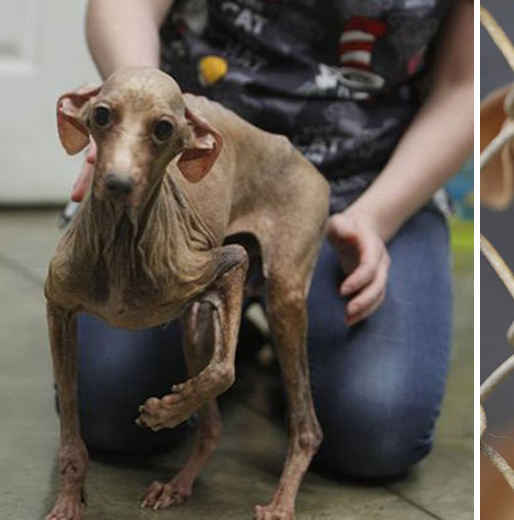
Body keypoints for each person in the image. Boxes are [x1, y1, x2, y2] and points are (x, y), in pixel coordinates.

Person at [68, 0, 475, 479]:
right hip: (189, 169)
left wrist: (375, 218)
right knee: (110, 410)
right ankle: (234, 335)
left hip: (363, 178)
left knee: (376, 432)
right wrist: (138, 125)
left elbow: (464, 84)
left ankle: (274, 341)